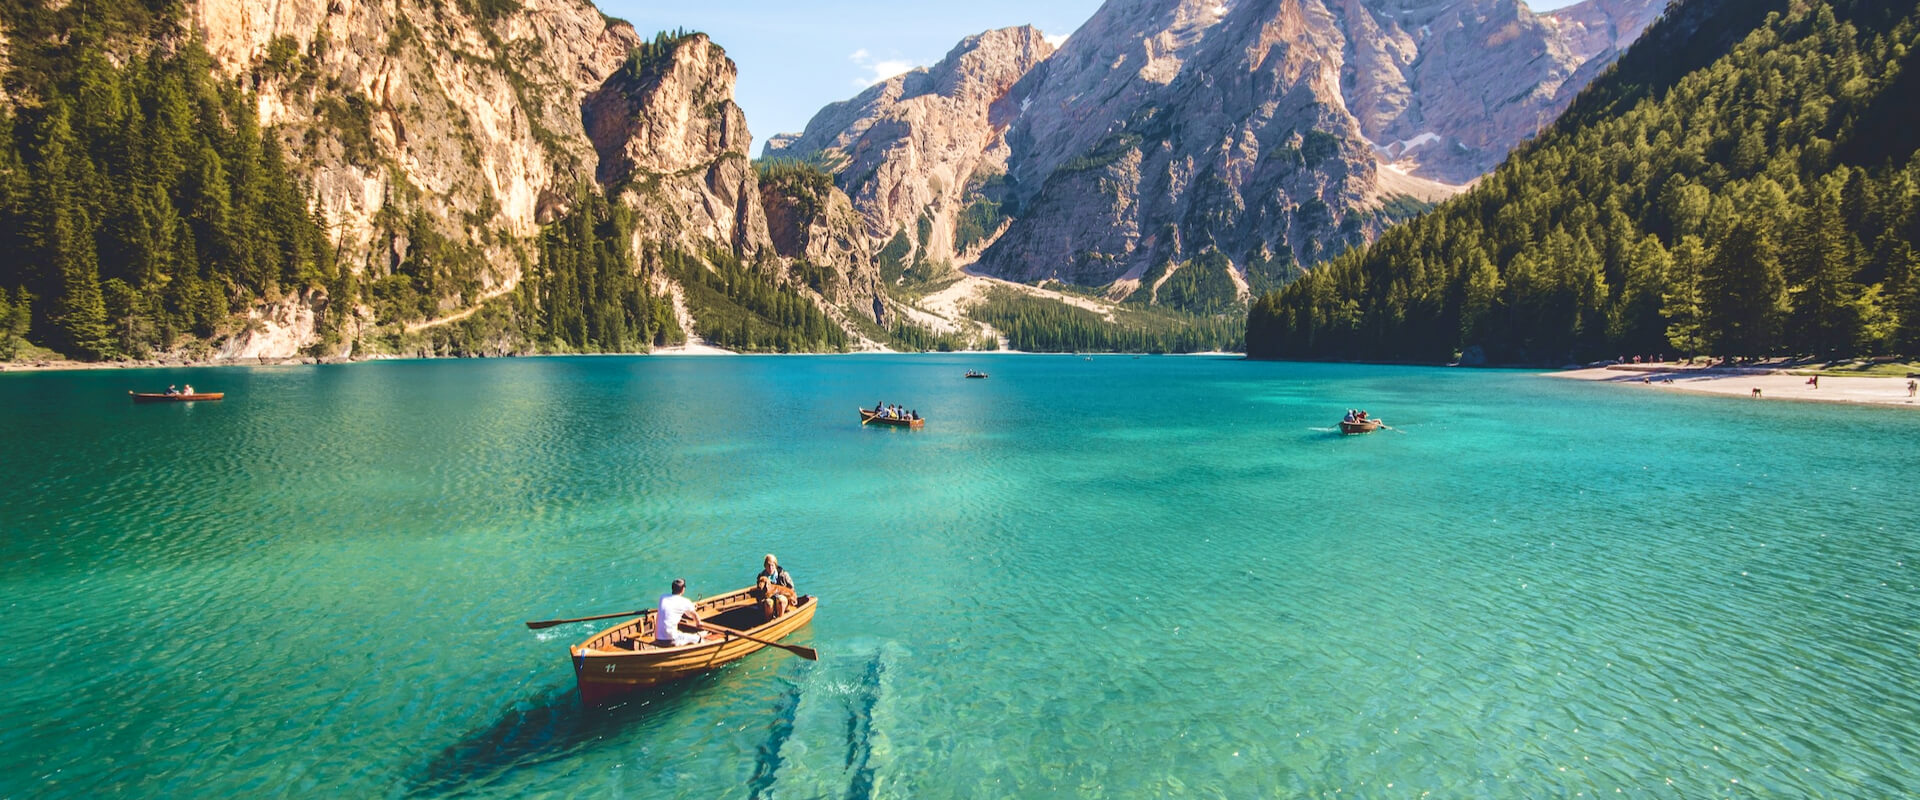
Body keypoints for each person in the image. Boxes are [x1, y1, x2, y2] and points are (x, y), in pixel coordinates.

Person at [654, 579, 709, 647]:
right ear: (683, 589)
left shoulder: (663, 597)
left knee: (680, 633)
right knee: (699, 639)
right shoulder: (685, 602)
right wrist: (698, 623)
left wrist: (690, 607)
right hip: (671, 640)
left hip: (658, 638)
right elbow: (693, 615)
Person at [753, 554, 796, 620]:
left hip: (783, 599)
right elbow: (758, 591)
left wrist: (792, 598)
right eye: (768, 565)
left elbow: (791, 589)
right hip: (767, 600)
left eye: (772, 565)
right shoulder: (761, 576)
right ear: (765, 566)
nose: (770, 568)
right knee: (768, 602)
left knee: (781, 600)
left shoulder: (783, 574)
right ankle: (768, 621)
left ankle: (780, 619)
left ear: (775, 565)